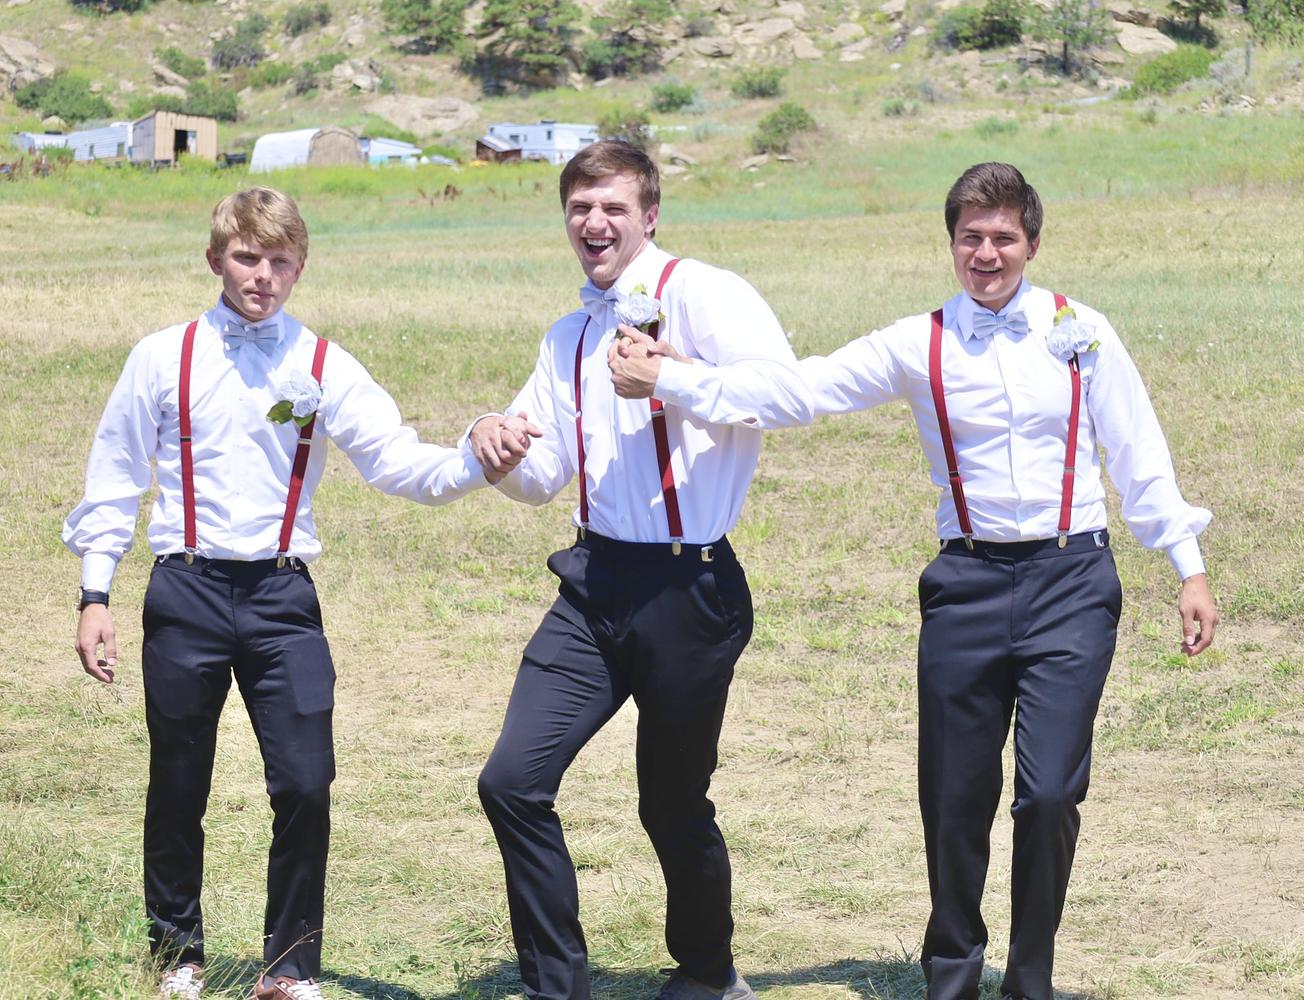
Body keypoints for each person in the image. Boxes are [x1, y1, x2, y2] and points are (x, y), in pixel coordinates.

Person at [65, 187, 536, 1000]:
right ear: (215, 259)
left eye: (280, 262)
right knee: (179, 780)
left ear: (300, 268)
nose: (263, 276)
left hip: (282, 598)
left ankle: (288, 968)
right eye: (248, 258)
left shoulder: (322, 364)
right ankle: (176, 954)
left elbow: (396, 462)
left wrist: (474, 457)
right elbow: (114, 477)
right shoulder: (161, 357)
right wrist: (94, 592)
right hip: (185, 589)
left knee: (306, 783)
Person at [798, 162, 1219, 1000]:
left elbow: (1137, 452)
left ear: (1030, 243)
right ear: (950, 243)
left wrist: (1188, 568)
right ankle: (951, 975)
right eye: (969, 237)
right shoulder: (917, 342)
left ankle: (1030, 978)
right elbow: (802, 388)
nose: (984, 253)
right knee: (953, 795)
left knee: (1049, 793)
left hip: (1072, 580)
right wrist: (677, 379)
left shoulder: (1081, 331)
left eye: (1001, 237)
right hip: (967, 583)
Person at [468, 139, 812, 1000]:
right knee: (511, 782)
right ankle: (558, 987)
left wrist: (671, 379)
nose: (595, 222)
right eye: (580, 207)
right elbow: (544, 476)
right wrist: (495, 446)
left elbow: (787, 395)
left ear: (649, 215)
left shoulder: (704, 293)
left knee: (670, 802)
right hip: (593, 583)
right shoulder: (569, 335)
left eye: (613, 206)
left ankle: (708, 973)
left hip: (690, 587)